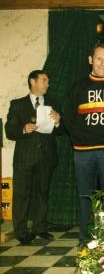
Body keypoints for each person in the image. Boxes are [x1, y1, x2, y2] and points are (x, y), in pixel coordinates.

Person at [64, 43, 104, 266]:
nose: (102, 63)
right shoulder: (77, 88)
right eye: (98, 59)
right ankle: (85, 247)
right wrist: (81, 139)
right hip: (83, 153)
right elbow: (68, 118)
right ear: (90, 60)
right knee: (86, 201)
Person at [5, 70, 62, 245]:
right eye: (44, 80)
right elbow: (9, 131)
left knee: (42, 194)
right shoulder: (18, 104)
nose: (48, 84)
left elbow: (61, 130)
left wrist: (59, 121)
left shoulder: (54, 104)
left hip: (46, 156)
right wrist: (23, 128)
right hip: (24, 158)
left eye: (48, 80)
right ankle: (21, 232)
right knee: (21, 195)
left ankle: (40, 228)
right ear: (33, 81)